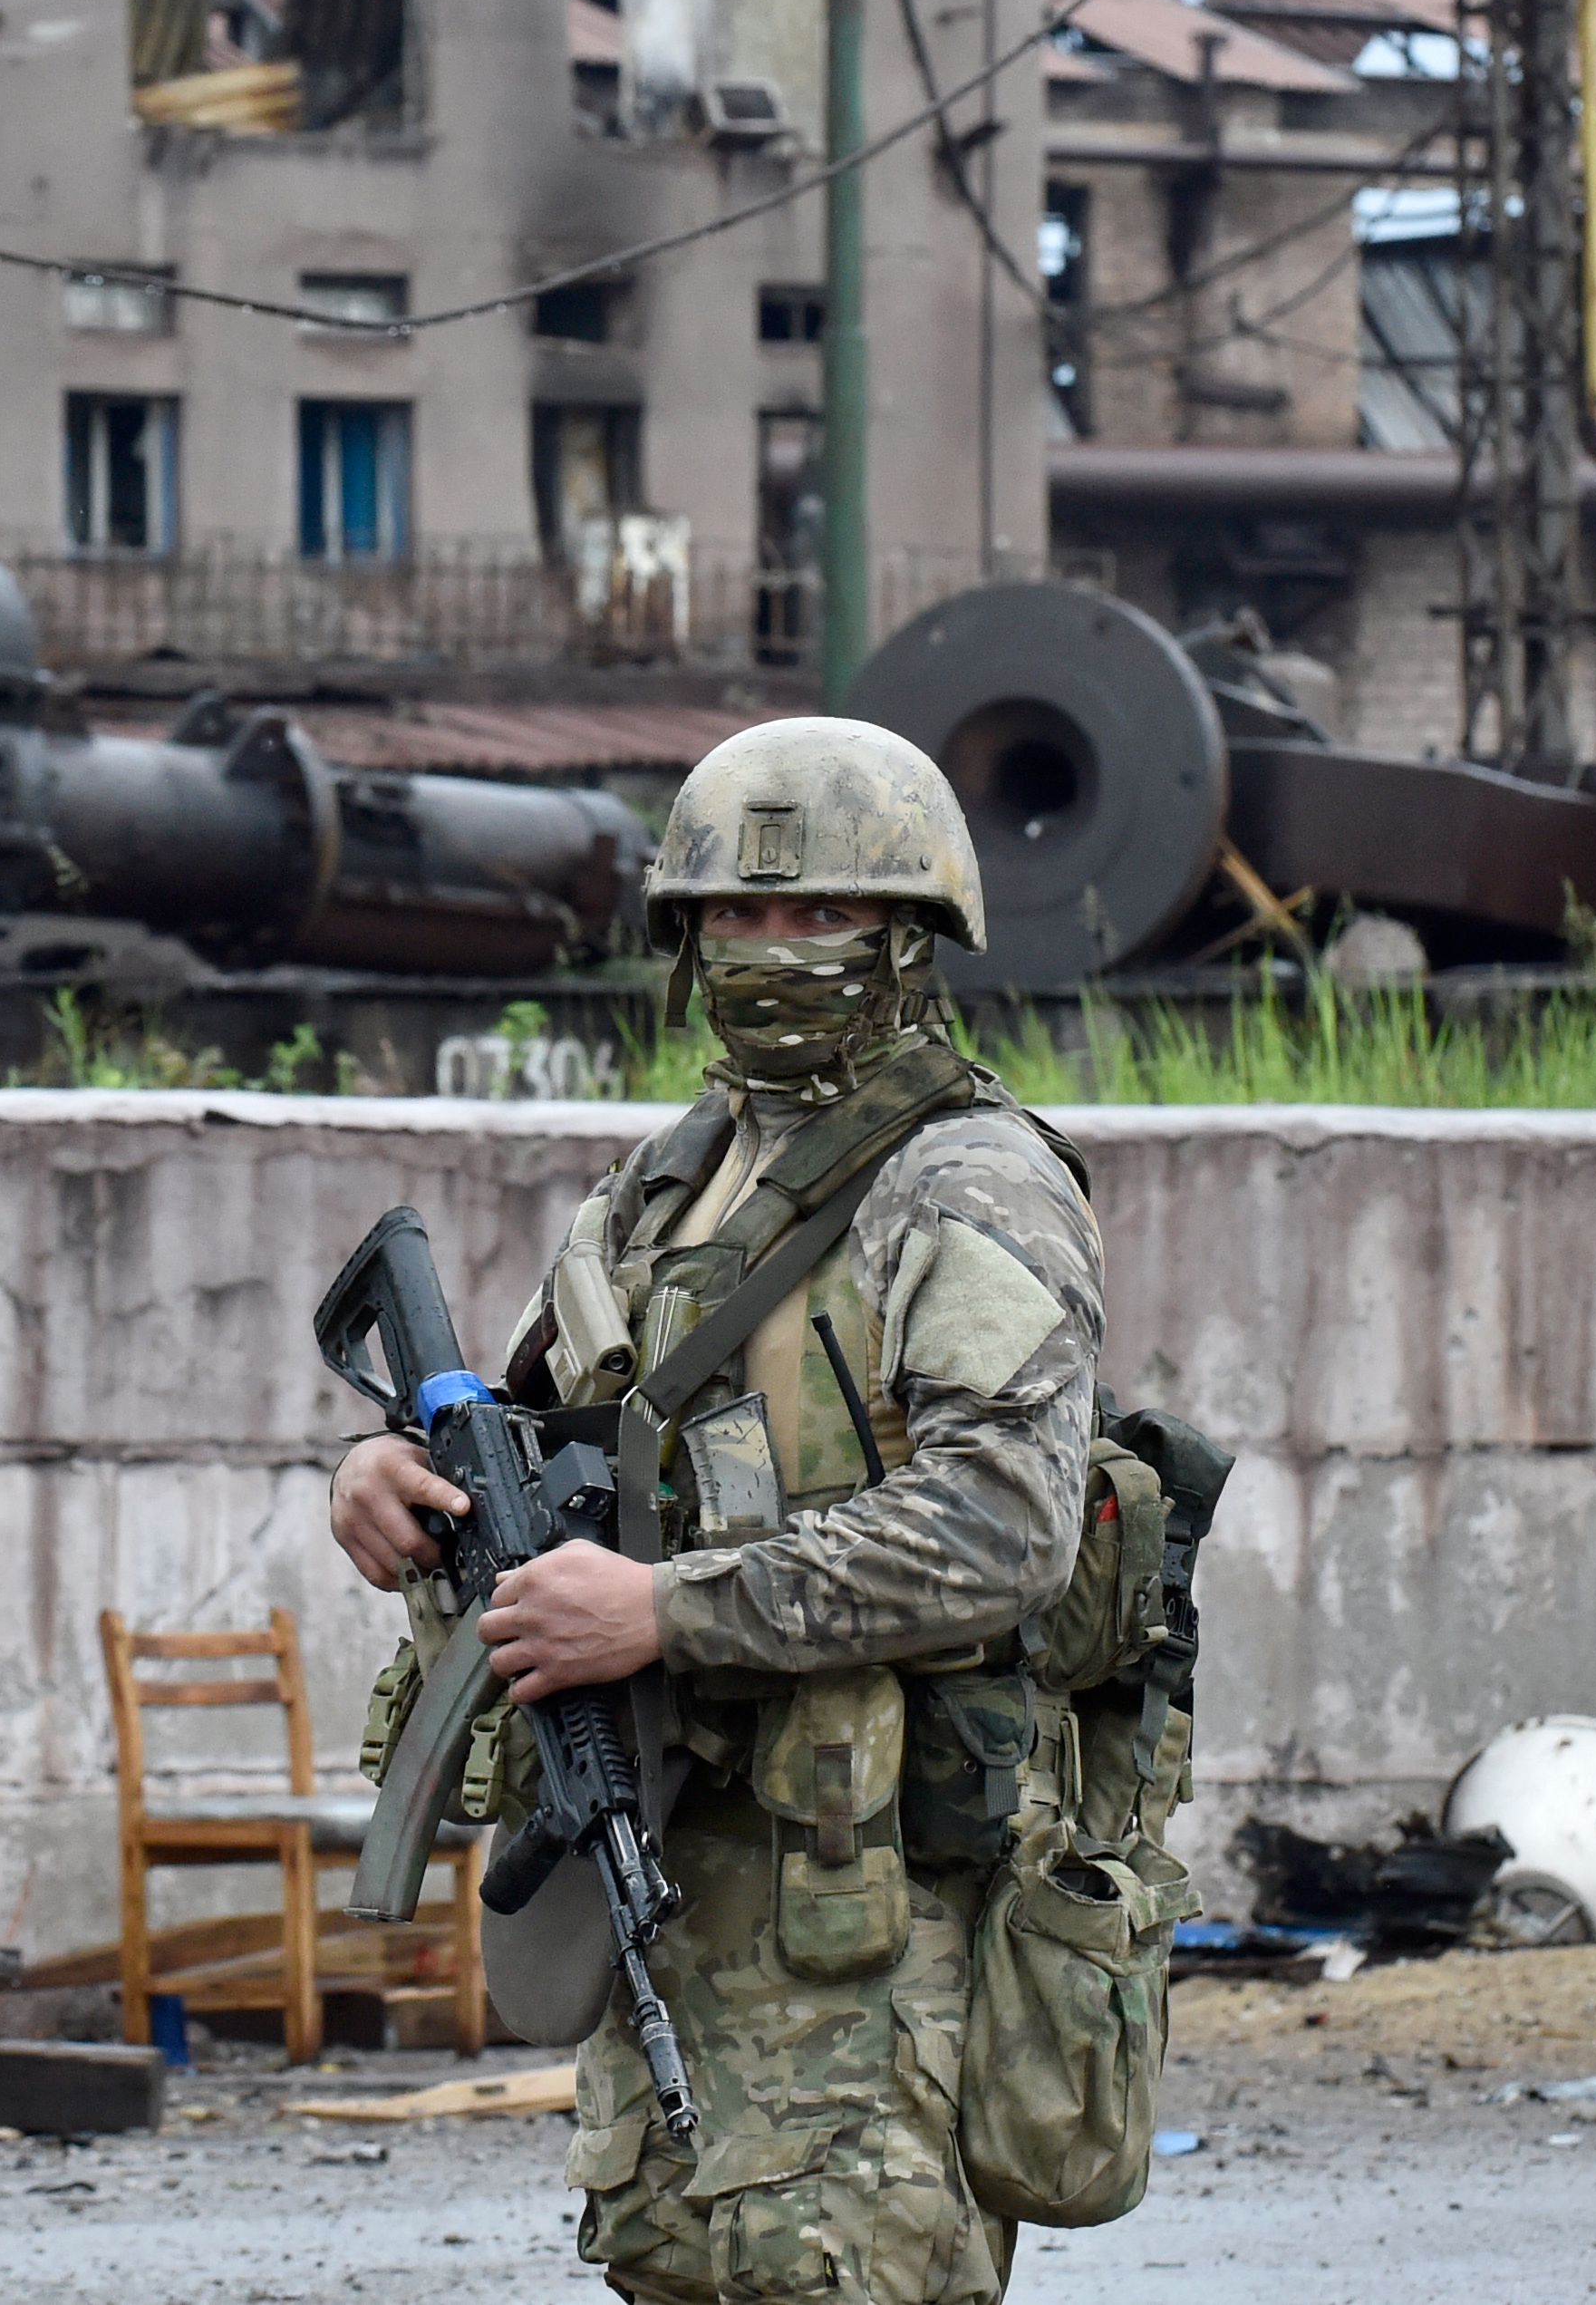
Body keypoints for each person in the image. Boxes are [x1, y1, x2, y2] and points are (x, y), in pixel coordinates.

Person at [327, 719, 1107, 2304]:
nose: (768, 949)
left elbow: (1003, 1522)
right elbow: (536, 1445)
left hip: (866, 1921)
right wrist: (391, 1479)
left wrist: (666, 1610)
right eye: (733, 916)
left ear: (908, 938)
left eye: (817, 913)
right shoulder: (659, 1187)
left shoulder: (965, 1184)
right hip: (662, 1880)